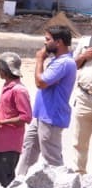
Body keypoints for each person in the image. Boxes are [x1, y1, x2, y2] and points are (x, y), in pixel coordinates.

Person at [18, 25, 77, 175]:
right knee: (28, 151)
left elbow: (41, 82)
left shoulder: (63, 63)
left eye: (47, 39)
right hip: (40, 116)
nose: (45, 43)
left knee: (52, 160)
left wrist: (39, 60)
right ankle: (19, 184)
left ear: (59, 42)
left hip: (51, 117)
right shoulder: (57, 61)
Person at [0, 52, 31, 187]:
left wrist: (0, 122)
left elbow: (25, 117)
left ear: (4, 70)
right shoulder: (6, 86)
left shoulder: (19, 90)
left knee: (6, 182)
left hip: (9, 145)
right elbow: (3, 107)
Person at [71, 35, 92, 174]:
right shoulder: (85, 42)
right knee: (79, 142)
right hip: (84, 97)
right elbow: (72, 66)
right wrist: (84, 56)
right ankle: (78, 177)